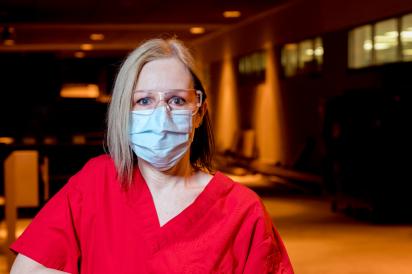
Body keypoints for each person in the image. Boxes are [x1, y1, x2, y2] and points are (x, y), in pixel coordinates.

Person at [10, 38, 294, 274]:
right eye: (144, 101)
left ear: (199, 112)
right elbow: (28, 270)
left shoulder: (241, 211)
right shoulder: (96, 183)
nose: (162, 114)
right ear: (125, 111)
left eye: (177, 100)